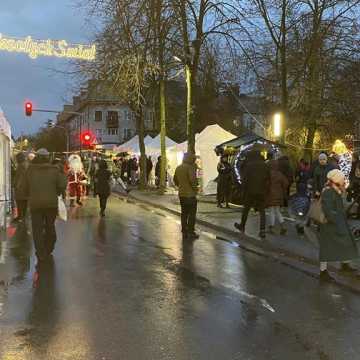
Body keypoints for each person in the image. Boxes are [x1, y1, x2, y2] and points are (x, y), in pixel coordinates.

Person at [21, 148, 67, 262]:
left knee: (37, 229)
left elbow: (24, 187)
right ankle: (49, 247)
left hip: (35, 204)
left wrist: (29, 194)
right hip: (51, 204)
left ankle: (40, 253)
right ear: (48, 158)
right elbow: (62, 185)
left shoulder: (30, 170)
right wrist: (57, 192)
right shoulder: (54, 170)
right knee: (50, 226)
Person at [318, 169, 359, 280]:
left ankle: (345, 263)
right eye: (341, 178)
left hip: (337, 222)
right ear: (336, 179)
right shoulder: (328, 191)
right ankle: (323, 272)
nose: (343, 180)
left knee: (346, 242)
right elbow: (328, 210)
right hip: (330, 224)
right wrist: (337, 219)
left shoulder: (335, 189)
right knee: (326, 248)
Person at [234, 150, 270, 238]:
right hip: (261, 191)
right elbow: (268, 178)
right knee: (262, 211)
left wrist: (243, 190)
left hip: (250, 191)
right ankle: (262, 230)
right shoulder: (265, 165)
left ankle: (242, 225)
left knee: (246, 209)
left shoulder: (249, 166)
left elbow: (245, 179)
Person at [174, 152, 199, 240]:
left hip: (182, 194)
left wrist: (181, 185)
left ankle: (184, 230)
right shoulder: (190, 167)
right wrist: (196, 189)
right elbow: (193, 180)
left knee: (184, 213)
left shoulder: (178, 167)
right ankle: (191, 231)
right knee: (192, 214)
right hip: (190, 194)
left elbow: (175, 180)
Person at [266, 160, 289, 235]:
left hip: (270, 195)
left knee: (271, 211)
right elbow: (286, 183)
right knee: (278, 211)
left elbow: (265, 184)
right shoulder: (280, 174)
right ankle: (283, 227)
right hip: (279, 196)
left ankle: (271, 227)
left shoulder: (268, 174)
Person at [13, 152, 29, 223]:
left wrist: (17, 186)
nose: (16, 160)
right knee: (24, 203)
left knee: (20, 203)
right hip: (25, 188)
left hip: (21, 188)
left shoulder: (21, 165)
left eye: (17, 158)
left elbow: (21, 177)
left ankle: (21, 217)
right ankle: (22, 217)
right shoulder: (26, 164)